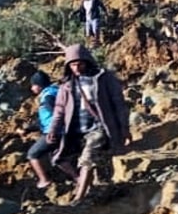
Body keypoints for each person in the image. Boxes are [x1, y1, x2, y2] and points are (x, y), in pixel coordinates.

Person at [48, 44, 130, 205]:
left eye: (80, 63)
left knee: (87, 159)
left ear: (87, 62)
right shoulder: (67, 85)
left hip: (99, 127)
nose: (77, 67)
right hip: (77, 130)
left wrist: (124, 129)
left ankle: (79, 197)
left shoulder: (104, 78)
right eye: (72, 64)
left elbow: (119, 104)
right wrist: (53, 129)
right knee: (62, 158)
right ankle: (96, 190)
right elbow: (59, 110)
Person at [25, 70, 68, 189]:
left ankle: (44, 180)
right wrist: (28, 129)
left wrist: (53, 131)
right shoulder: (55, 92)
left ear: (38, 85)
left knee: (32, 154)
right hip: (62, 131)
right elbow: (44, 119)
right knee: (57, 157)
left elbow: (56, 114)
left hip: (53, 132)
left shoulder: (48, 97)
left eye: (33, 85)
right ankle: (77, 178)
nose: (32, 88)